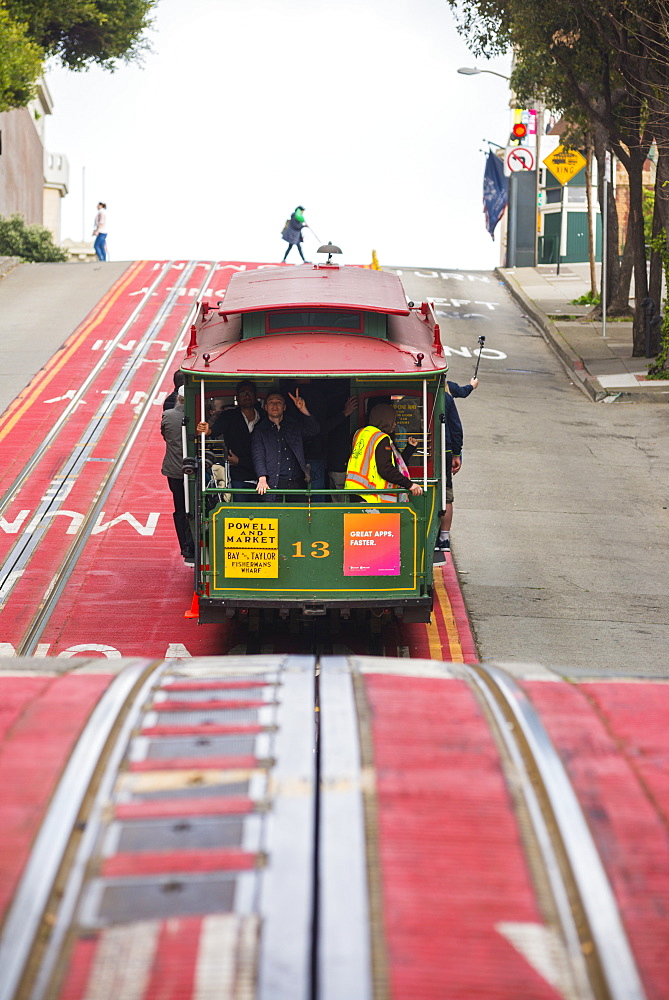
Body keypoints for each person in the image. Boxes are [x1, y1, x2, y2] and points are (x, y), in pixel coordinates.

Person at [197, 379, 264, 500]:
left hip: (263, 476)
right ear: (237, 397)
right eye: (243, 393)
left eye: (250, 393)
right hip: (238, 476)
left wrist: (240, 461)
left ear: (255, 397)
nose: (247, 396)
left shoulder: (264, 416)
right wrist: (206, 430)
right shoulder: (229, 416)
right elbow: (213, 431)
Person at [344, 403, 423, 502]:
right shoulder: (381, 438)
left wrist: (410, 448)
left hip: (355, 490)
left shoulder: (360, 433)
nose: (394, 425)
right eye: (393, 421)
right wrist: (409, 485)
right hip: (371, 495)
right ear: (385, 420)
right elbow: (385, 468)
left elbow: (392, 462)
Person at [436, 376, 478, 552]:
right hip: (444, 450)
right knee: (446, 493)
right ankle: (444, 538)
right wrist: (456, 454)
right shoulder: (446, 395)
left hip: (418, 449)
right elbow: (455, 428)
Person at [252, 388, 318, 498]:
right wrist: (262, 478)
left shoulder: (293, 425)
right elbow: (258, 455)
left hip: (297, 483)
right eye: (271, 402)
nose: (275, 405)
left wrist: (303, 409)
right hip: (273, 483)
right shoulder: (260, 430)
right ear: (266, 407)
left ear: (284, 407)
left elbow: (313, 430)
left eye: (279, 402)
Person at [161, 385, 194, 565]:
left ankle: (185, 545)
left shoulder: (168, 416)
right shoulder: (202, 415)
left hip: (174, 471)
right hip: (194, 471)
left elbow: (165, 436)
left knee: (180, 509)